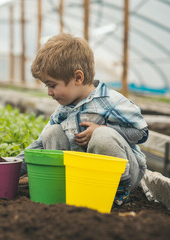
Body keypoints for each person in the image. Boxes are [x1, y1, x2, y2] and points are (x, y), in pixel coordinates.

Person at [16, 33, 148, 208]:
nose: (49, 92)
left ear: (78, 78)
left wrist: (102, 128)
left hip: (121, 174)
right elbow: (40, 145)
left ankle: (118, 196)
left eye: (52, 85)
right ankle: (61, 192)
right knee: (52, 132)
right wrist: (12, 167)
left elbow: (142, 132)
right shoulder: (63, 110)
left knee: (103, 135)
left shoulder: (111, 101)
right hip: (81, 177)